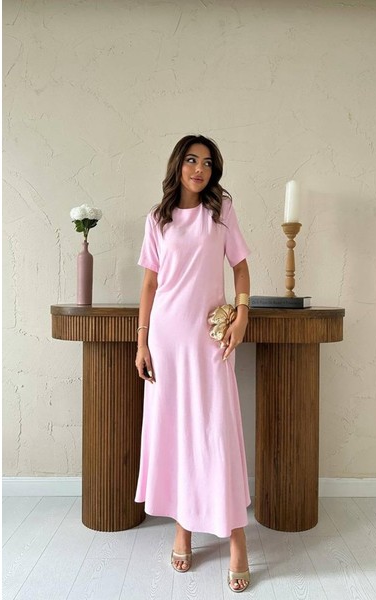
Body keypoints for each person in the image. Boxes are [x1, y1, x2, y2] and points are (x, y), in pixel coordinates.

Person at [134, 134, 251, 593]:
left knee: (217, 434)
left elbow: (239, 266)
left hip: (208, 341)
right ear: (177, 166)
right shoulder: (157, 219)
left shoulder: (220, 211)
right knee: (178, 435)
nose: (199, 169)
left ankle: (237, 541)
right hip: (166, 340)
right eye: (191, 160)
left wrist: (242, 314)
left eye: (206, 162)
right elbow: (150, 286)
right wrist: (142, 343)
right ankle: (182, 530)